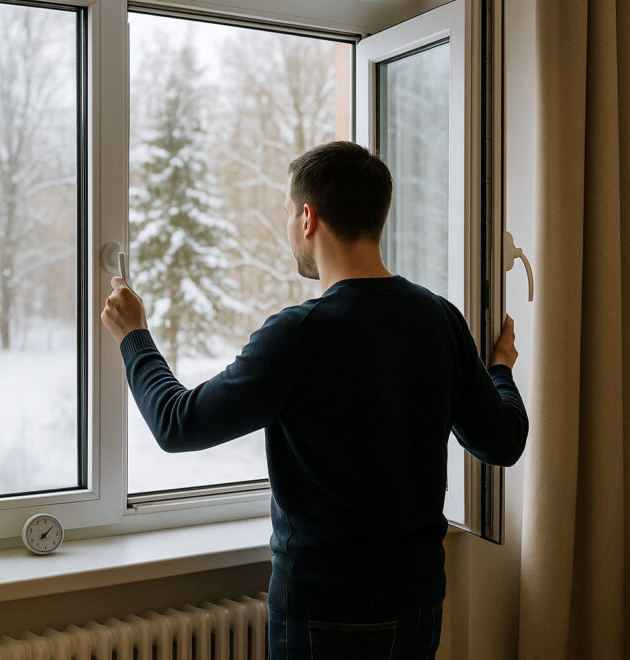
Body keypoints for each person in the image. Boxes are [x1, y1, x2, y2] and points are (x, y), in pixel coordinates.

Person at [100, 140, 528, 660]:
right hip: (417, 607)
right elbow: (503, 441)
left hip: (326, 618)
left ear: (308, 218)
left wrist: (134, 337)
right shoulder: (439, 319)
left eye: (286, 212)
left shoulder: (298, 334)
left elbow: (176, 424)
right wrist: (500, 368)